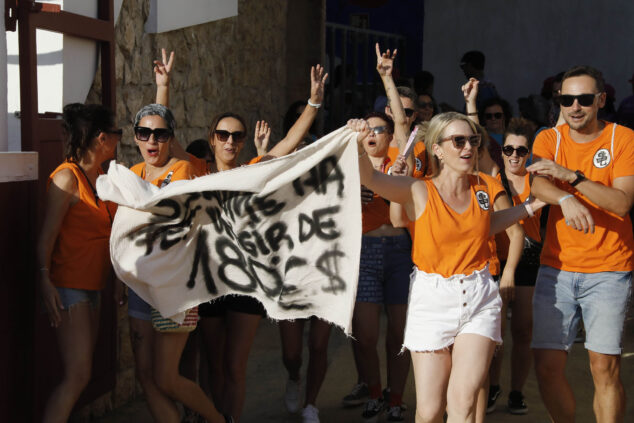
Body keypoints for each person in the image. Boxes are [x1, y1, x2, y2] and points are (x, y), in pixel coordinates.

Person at [153, 48, 329, 422]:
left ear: (244, 141)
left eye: (237, 136)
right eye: (223, 135)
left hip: (247, 282)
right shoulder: (197, 170)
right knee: (214, 366)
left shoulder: (254, 170)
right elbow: (165, 136)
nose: (230, 141)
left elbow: (288, 146)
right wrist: (163, 86)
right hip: (208, 281)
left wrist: (314, 102)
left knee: (234, 367)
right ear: (212, 139)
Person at [348, 110, 544, 423]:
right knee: (428, 412)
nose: (468, 147)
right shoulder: (419, 189)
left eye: (473, 141)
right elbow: (370, 178)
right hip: (433, 300)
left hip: (479, 296)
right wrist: (359, 146)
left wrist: (532, 205)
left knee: (464, 403)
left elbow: (487, 224)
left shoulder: (484, 187)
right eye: (458, 140)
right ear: (437, 148)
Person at [527, 65, 634, 423]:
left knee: (604, 369)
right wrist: (565, 199)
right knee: (545, 366)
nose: (575, 106)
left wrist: (572, 177)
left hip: (608, 270)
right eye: (567, 99)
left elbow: (621, 203)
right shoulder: (549, 140)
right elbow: (538, 185)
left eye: (584, 99)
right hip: (555, 268)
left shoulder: (623, 139)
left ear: (601, 100)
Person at [127, 103, 230, 423]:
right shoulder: (132, 174)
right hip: (139, 284)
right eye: (144, 133)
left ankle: (216, 419)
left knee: (166, 377)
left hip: (175, 285)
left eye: (160, 134)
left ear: (172, 138)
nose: (152, 141)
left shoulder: (184, 171)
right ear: (135, 138)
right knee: (146, 377)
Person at [37, 103, 121, 423]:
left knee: (81, 374)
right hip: (68, 285)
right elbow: (46, 237)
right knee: (77, 375)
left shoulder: (101, 175)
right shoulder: (66, 177)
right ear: (102, 138)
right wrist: (45, 280)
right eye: (117, 134)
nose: (118, 140)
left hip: (93, 285)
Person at [488, 118, 541, 415]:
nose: (514, 156)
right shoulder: (494, 179)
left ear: (530, 152)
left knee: (523, 331)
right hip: (499, 260)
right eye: (509, 149)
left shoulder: (539, 180)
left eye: (521, 150)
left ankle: (517, 392)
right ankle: (494, 387)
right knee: (495, 332)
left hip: (530, 262)